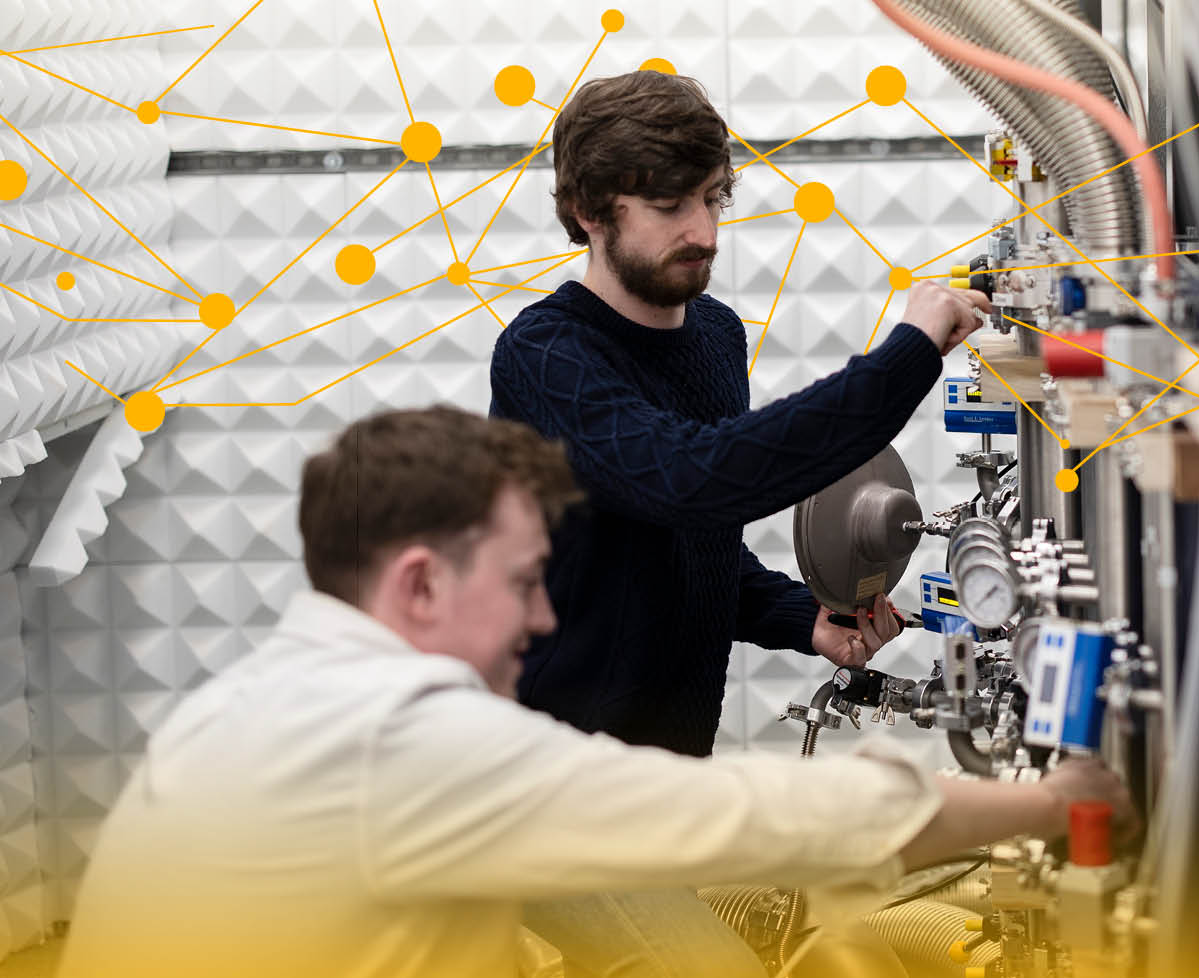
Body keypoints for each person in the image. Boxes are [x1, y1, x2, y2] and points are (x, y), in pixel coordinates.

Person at [56, 407, 1133, 978]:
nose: (540, 618)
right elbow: (757, 818)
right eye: (527, 584)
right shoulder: (393, 739)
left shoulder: (251, 704)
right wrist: (1054, 802)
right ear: (421, 582)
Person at [489, 69, 993, 759]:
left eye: (711, 198)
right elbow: (691, 481)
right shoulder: (545, 355)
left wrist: (802, 619)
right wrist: (905, 358)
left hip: (671, 768)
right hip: (550, 770)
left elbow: (690, 545)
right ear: (590, 211)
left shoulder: (717, 335)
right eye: (669, 205)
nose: (703, 231)